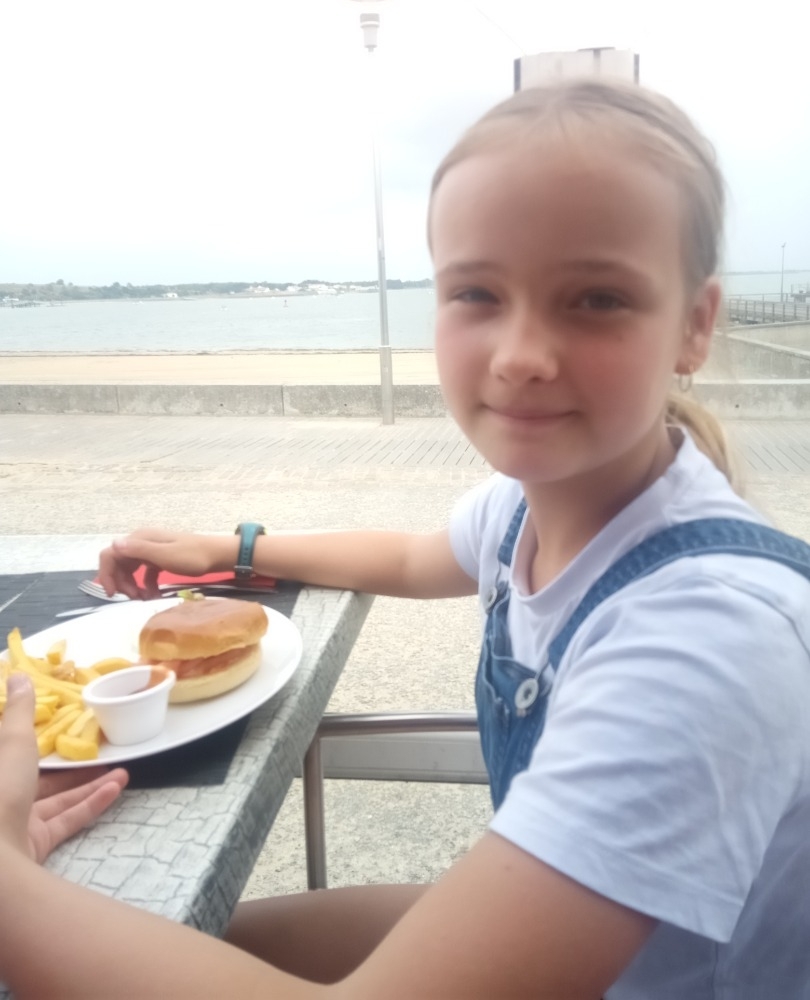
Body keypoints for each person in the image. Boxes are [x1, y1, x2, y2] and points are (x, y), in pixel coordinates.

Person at [2, 79, 809, 998]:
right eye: (477, 292)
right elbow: (413, 557)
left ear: (695, 326)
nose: (520, 354)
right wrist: (230, 549)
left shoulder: (709, 640)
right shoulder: (530, 509)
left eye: (595, 298)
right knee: (203, 931)